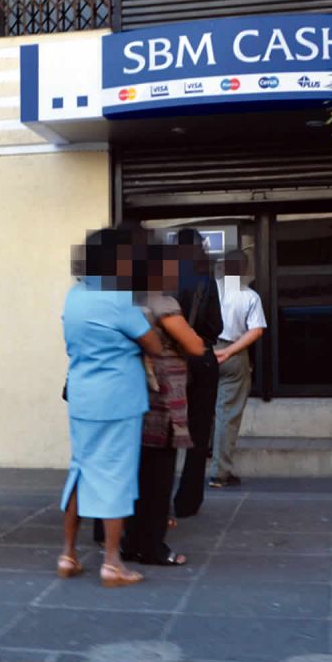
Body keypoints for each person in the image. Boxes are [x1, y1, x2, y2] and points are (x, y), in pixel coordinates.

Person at [59, 227, 161, 588]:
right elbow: (154, 345)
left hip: (83, 395)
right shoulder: (118, 299)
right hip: (118, 398)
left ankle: (68, 555)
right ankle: (112, 564)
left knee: (81, 470)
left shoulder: (74, 296)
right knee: (116, 476)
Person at [125, 241, 204, 565]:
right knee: (159, 477)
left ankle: (131, 543)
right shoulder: (162, 302)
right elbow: (195, 345)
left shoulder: (128, 300)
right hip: (163, 398)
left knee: (137, 474)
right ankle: (152, 546)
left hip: (135, 394)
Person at [171, 229, 223, 518]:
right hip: (201, 360)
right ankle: (188, 501)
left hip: (170, 361)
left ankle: (157, 499)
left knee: (165, 435)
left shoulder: (162, 279)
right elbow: (216, 325)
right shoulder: (205, 280)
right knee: (199, 434)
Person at [208, 249, 266, 489]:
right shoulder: (250, 296)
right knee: (227, 414)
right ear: (245, 269)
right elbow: (256, 330)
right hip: (233, 354)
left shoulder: (209, 289)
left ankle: (201, 459)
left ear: (223, 267)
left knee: (203, 409)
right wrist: (229, 351)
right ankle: (219, 473)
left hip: (204, 351)